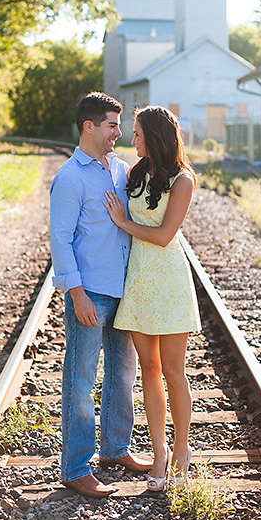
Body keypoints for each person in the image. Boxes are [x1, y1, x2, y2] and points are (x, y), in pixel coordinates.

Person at [49, 92, 152, 499]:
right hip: (90, 291)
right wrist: (76, 294)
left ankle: (115, 449)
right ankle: (75, 467)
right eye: (112, 125)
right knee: (81, 379)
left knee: (122, 376)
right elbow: (60, 240)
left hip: (123, 289)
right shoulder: (70, 178)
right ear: (88, 126)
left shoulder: (121, 171)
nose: (119, 133)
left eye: (120, 125)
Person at [102, 105, 199, 492]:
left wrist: (123, 222)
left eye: (138, 133)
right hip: (139, 281)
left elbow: (163, 236)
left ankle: (181, 450)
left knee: (174, 373)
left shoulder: (183, 180)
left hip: (170, 282)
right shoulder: (135, 173)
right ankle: (158, 452)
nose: (132, 139)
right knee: (150, 372)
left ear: (155, 136)